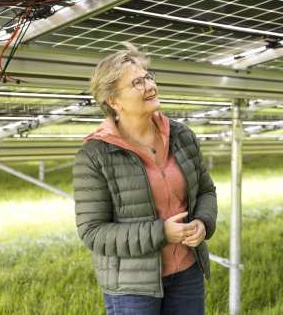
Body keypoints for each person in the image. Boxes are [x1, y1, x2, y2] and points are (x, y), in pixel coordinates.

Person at [73, 43, 217, 315]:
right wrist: (161, 233)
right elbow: (93, 232)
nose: (150, 86)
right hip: (132, 287)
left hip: (187, 272)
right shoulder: (95, 154)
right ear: (113, 101)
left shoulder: (181, 136)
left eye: (149, 77)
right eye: (137, 83)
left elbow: (206, 190)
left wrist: (203, 221)